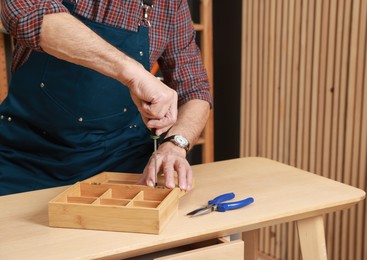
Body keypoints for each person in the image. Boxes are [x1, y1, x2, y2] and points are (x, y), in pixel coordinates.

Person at [0, 0, 212, 195]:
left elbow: (195, 90)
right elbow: (25, 13)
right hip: (26, 161)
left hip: (125, 166)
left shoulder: (170, 5)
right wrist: (132, 73)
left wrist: (175, 144)